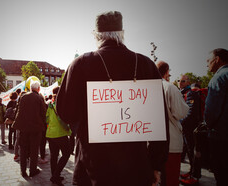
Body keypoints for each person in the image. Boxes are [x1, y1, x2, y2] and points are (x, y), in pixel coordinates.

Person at [56, 11, 169, 185]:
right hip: (136, 167)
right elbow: (160, 121)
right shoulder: (146, 64)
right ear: (122, 34)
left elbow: (65, 112)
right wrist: (155, 165)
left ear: (96, 35)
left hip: (91, 167)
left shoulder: (80, 64)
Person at [156, 61, 189, 186]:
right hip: (171, 143)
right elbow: (181, 113)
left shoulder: (147, 88)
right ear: (167, 72)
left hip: (152, 144)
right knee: (170, 180)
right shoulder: (169, 87)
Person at [204, 48, 228, 186]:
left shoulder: (218, 78)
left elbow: (211, 110)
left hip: (221, 137)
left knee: (222, 175)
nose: (207, 64)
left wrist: (208, 125)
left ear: (217, 59)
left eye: (208, 60)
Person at [12, 81, 46, 177]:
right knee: (34, 150)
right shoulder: (39, 98)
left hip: (23, 128)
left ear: (31, 88)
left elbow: (18, 110)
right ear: (38, 89)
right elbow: (43, 113)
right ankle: (32, 170)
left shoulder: (23, 97)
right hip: (35, 128)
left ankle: (23, 171)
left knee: (23, 150)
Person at [179, 74, 202, 183]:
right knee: (189, 151)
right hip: (187, 128)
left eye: (183, 81)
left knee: (192, 152)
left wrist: (180, 123)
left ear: (188, 82)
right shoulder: (184, 93)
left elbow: (190, 112)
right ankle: (191, 172)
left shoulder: (190, 93)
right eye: (179, 80)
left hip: (191, 129)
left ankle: (194, 177)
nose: (180, 82)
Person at [46, 86, 72, 185]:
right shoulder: (61, 103)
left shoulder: (50, 103)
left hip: (50, 133)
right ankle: (56, 175)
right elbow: (64, 118)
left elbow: (47, 118)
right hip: (60, 133)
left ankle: (54, 176)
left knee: (54, 156)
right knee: (66, 154)